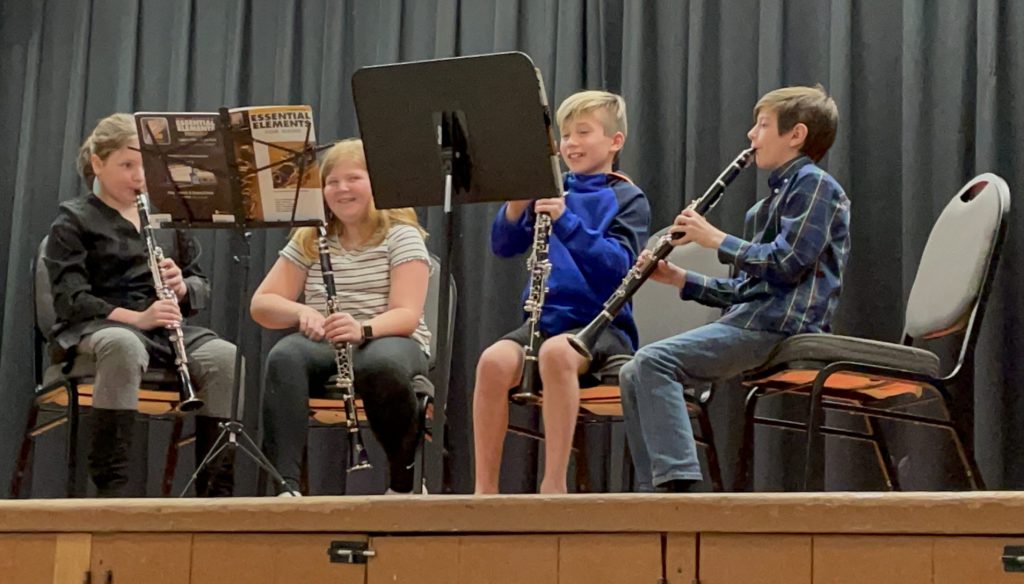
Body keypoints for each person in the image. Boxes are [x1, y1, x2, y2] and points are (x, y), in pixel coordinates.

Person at [620, 85, 851, 492]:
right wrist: (678, 279)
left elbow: (786, 263)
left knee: (653, 361)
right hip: (756, 320)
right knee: (631, 370)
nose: (751, 135)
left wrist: (715, 239)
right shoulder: (763, 208)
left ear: (795, 135)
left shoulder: (816, 186)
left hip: (784, 326)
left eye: (762, 125)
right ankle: (652, 489)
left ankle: (679, 488)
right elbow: (742, 291)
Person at [46, 113, 237, 497]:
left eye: (146, 166)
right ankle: (112, 490)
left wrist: (182, 287)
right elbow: (71, 299)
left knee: (226, 357)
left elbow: (200, 283)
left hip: (164, 331)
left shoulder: (166, 216)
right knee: (123, 344)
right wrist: (138, 317)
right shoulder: (73, 221)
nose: (139, 177)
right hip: (99, 326)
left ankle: (215, 495)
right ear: (98, 164)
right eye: (127, 165)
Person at [473, 90, 651, 494]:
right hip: (544, 319)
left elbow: (617, 271)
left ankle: (553, 484)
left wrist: (566, 221)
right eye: (565, 135)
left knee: (556, 354)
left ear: (614, 142)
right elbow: (503, 246)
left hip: (602, 326)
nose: (570, 143)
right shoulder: (551, 188)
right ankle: (484, 491)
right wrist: (519, 198)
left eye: (583, 133)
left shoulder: (627, 198)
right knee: (492, 362)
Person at [251, 138, 432, 495]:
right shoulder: (310, 238)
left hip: (390, 339)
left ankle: (403, 484)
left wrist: (361, 328)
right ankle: (285, 487)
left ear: (377, 184)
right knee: (284, 357)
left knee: (380, 366)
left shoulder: (402, 235)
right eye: (331, 182)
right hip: (328, 343)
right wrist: (301, 311)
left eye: (354, 179)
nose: (341, 189)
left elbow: (407, 315)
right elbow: (263, 304)